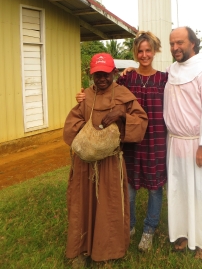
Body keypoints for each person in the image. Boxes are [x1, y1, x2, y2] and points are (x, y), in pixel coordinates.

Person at [76, 31, 168, 252]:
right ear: (135, 53)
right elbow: (102, 88)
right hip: (130, 142)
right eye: (140, 51)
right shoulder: (126, 78)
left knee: (155, 189)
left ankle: (149, 230)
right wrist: (83, 96)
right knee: (129, 188)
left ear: (154, 51)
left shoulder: (165, 79)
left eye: (148, 50)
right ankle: (130, 225)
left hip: (156, 139)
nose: (144, 54)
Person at [63, 53, 148, 268]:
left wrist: (122, 115)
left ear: (114, 73)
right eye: (97, 74)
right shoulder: (86, 96)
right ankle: (81, 249)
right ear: (91, 75)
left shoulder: (123, 94)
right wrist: (89, 135)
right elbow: (71, 125)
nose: (101, 78)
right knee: (83, 203)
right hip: (86, 163)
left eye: (106, 74)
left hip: (110, 163)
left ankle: (107, 251)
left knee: (108, 206)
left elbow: (140, 122)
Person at [164, 27, 202, 262]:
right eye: (171, 44)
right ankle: (184, 233)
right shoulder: (171, 71)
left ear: (193, 43)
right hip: (176, 142)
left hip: (198, 144)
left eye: (180, 42)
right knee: (181, 191)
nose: (175, 47)